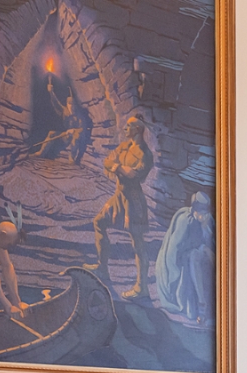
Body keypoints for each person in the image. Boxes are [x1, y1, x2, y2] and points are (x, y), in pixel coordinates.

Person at [84, 115, 154, 299]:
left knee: (137, 243)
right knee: (99, 222)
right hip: (119, 197)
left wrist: (116, 167)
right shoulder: (124, 146)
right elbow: (108, 161)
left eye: (129, 126)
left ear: (138, 129)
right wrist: (118, 167)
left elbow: (134, 175)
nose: (125, 128)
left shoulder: (145, 154)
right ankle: (102, 268)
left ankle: (142, 288)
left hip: (133, 201)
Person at [153, 192, 214, 322]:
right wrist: (174, 273)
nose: (202, 216)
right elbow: (174, 249)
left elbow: (212, 241)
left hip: (202, 256)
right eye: (200, 213)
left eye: (205, 213)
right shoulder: (185, 220)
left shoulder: (208, 220)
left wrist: (205, 232)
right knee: (193, 257)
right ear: (194, 210)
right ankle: (200, 304)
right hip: (183, 261)